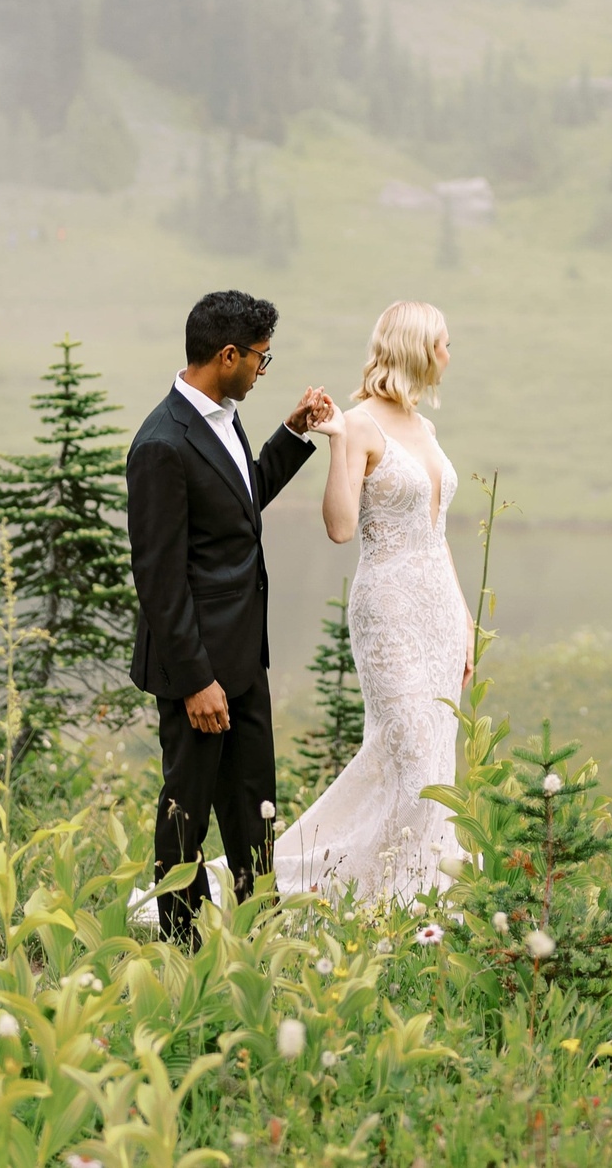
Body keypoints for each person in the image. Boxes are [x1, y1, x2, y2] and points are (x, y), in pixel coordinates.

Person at [125, 289, 331, 944]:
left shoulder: (224, 417)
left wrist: (293, 434)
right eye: (260, 361)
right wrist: (195, 681)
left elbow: (240, 505)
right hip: (198, 671)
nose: (262, 372)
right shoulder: (160, 444)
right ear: (228, 355)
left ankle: (261, 934)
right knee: (186, 812)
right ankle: (180, 948)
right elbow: (159, 580)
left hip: (244, 660)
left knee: (253, 809)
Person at [274, 300, 473, 905]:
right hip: (388, 613)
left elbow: (436, 533)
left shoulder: (427, 428)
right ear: (416, 349)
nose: (448, 354)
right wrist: (336, 443)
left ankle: (424, 895)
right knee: (413, 761)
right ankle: (359, 894)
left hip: (440, 613)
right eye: (442, 343)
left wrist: (464, 618)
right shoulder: (358, 425)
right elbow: (339, 528)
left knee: (435, 764)